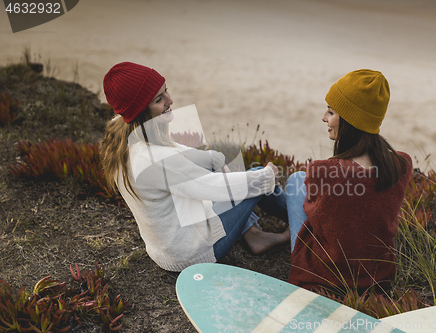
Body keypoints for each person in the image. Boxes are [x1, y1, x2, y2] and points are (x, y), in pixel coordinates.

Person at [100, 62, 289, 272]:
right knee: (254, 177)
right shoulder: (155, 160)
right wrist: (267, 175)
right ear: (140, 111)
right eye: (159, 99)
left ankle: (254, 235)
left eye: (165, 91)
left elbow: (177, 154)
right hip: (192, 253)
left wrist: (213, 159)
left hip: (167, 247)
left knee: (228, 173)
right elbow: (214, 187)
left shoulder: (125, 138)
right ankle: (308, 220)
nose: (170, 101)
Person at [286, 69, 412, 295]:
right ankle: (276, 233)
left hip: (326, 276)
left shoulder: (323, 171)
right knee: (299, 183)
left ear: (350, 120)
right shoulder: (401, 165)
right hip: (376, 277)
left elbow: (313, 215)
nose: (324, 117)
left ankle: (270, 230)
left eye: (331, 112)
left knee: (295, 182)